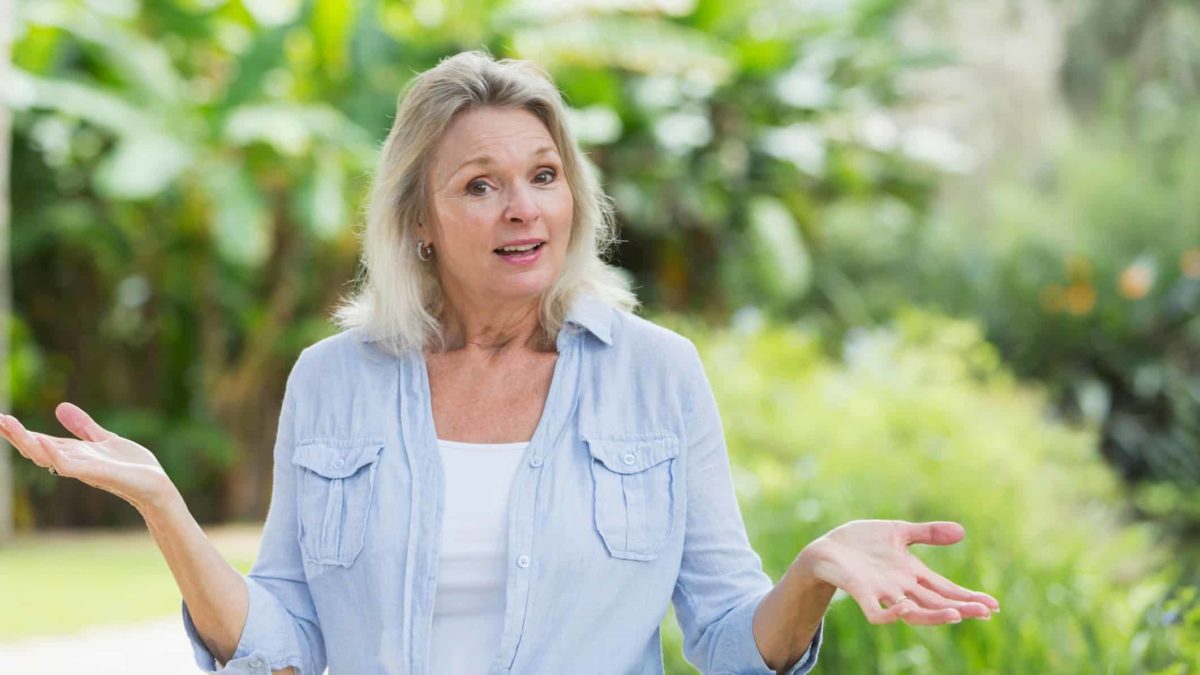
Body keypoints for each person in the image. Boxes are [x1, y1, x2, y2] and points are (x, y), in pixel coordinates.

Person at [0, 49, 999, 675]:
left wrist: (814, 572)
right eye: (480, 185)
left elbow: (732, 642)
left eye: (544, 175)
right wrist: (168, 511)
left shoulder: (657, 374)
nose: (524, 208)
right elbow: (285, 644)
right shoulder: (331, 382)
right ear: (421, 221)